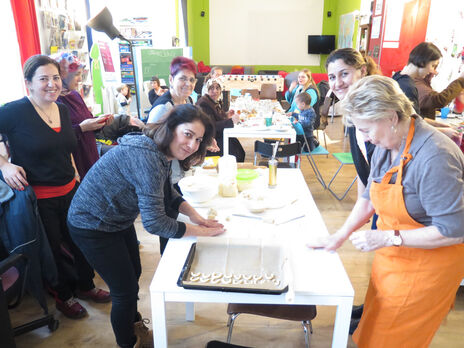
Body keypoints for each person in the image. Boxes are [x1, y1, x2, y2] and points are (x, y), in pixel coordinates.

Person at [310, 75, 464, 347]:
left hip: (428, 267)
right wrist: (340, 235)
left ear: (391, 116)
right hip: (393, 258)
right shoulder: (387, 143)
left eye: (367, 130)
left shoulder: (435, 156)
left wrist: (388, 238)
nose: (365, 138)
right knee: (374, 329)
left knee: (394, 338)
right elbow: (369, 198)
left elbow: (452, 231)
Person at [67, 104, 225, 348]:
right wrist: (202, 232)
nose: (193, 145)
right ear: (171, 129)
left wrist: (197, 218)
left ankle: (135, 323)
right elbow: (155, 222)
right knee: (124, 291)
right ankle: (128, 343)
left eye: (199, 139)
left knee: (134, 276)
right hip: (92, 224)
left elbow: (167, 193)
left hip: (116, 219)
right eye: (188, 134)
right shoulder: (147, 156)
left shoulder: (158, 151)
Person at [0, 55, 109, 319]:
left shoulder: (60, 108)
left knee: (81, 241)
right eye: (44, 79)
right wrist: (4, 165)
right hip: (40, 197)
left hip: (70, 189)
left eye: (56, 77)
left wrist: (78, 180)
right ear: (29, 83)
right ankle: (63, 296)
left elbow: (65, 149)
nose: (52, 84)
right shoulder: (14, 111)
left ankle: (85, 286)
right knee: (52, 250)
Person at [53, 52, 114, 179]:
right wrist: (82, 128)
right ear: (62, 76)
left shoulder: (74, 95)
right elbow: (57, 138)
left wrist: (99, 122)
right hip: (76, 162)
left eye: (81, 74)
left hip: (89, 154)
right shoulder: (54, 102)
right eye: (76, 75)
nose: (80, 79)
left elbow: (87, 120)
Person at [196, 78, 245, 161]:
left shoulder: (212, 101)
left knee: (239, 149)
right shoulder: (204, 103)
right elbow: (210, 126)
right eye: (211, 88)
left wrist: (226, 115)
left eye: (217, 88)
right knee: (236, 153)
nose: (215, 91)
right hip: (210, 140)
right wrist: (231, 121)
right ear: (206, 90)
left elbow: (216, 117)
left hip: (218, 135)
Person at [411, 43, 464, 118]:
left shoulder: (421, 82)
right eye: (433, 66)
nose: (435, 72)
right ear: (422, 63)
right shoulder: (415, 83)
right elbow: (439, 100)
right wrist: (460, 81)